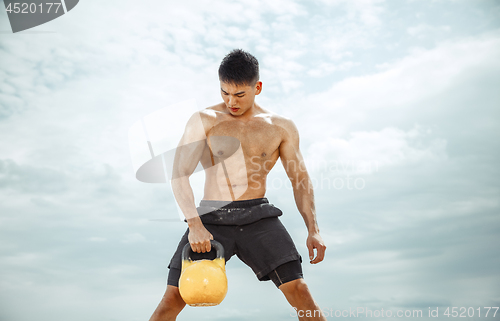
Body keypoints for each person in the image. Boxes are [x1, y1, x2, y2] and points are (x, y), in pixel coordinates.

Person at [149, 49, 327, 321]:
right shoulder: (205, 120)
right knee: (172, 299)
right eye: (224, 92)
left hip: (258, 218)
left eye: (240, 94)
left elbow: (300, 180)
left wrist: (313, 230)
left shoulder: (280, 127)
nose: (231, 101)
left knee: (300, 291)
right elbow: (179, 173)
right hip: (211, 219)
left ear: (258, 87)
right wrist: (195, 224)